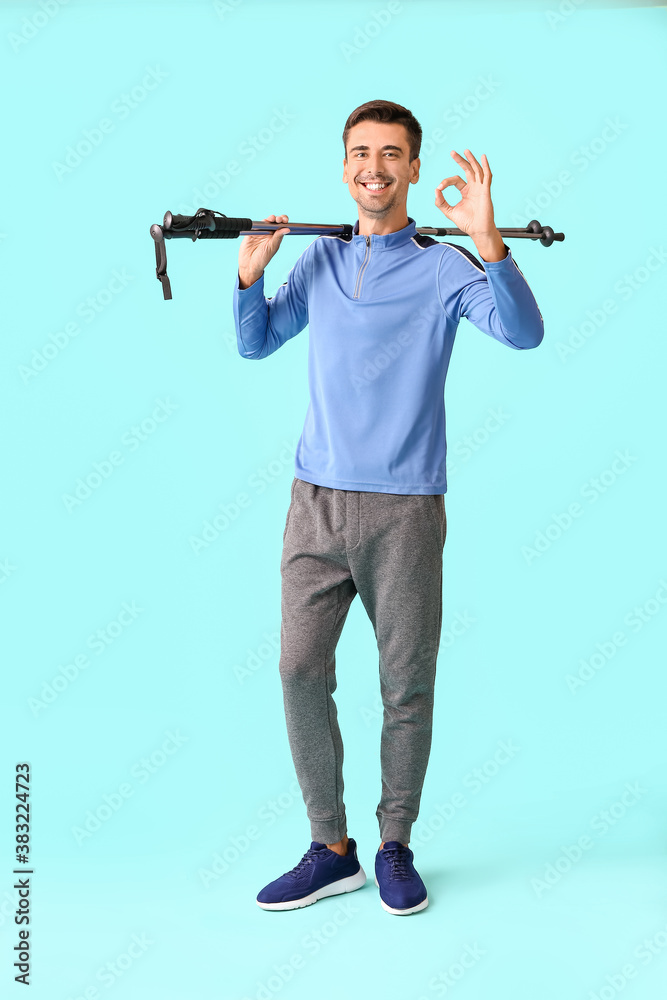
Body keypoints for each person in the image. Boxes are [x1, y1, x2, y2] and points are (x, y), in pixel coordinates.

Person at [232, 99, 543, 916]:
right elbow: (257, 341)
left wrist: (485, 238)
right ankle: (329, 848)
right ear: (344, 167)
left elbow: (522, 334)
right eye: (360, 152)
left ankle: (394, 843)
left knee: (404, 684)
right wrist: (249, 276)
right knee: (299, 669)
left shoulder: (443, 268)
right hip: (314, 502)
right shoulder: (320, 262)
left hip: (404, 509)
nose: (374, 165)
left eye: (391, 153)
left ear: (411, 167)